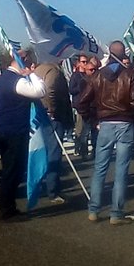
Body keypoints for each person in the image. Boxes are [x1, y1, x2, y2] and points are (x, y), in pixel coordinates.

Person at [76, 40, 134, 225]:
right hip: (124, 124)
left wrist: (93, 120)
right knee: (121, 170)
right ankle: (116, 213)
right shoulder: (131, 75)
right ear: (124, 55)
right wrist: (129, 114)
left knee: (100, 168)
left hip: (105, 124)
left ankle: (94, 209)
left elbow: (81, 102)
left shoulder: (97, 76)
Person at [0, 57, 46, 221]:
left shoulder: (2, 79)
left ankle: (5, 203)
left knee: (10, 169)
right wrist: (33, 75)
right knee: (13, 170)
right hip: (14, 130)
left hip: (4, 128)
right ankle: (6, 208)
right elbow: (40, 91)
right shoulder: (16, 81)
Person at [34, 59, 74, 204]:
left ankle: (41, 186)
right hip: (53, 116)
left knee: (45, 151)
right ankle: (53, 190)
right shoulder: (53, 71)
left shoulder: (39, 68)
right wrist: (52, 109)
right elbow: (50, 89)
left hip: (42, 115)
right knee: (53, 152)